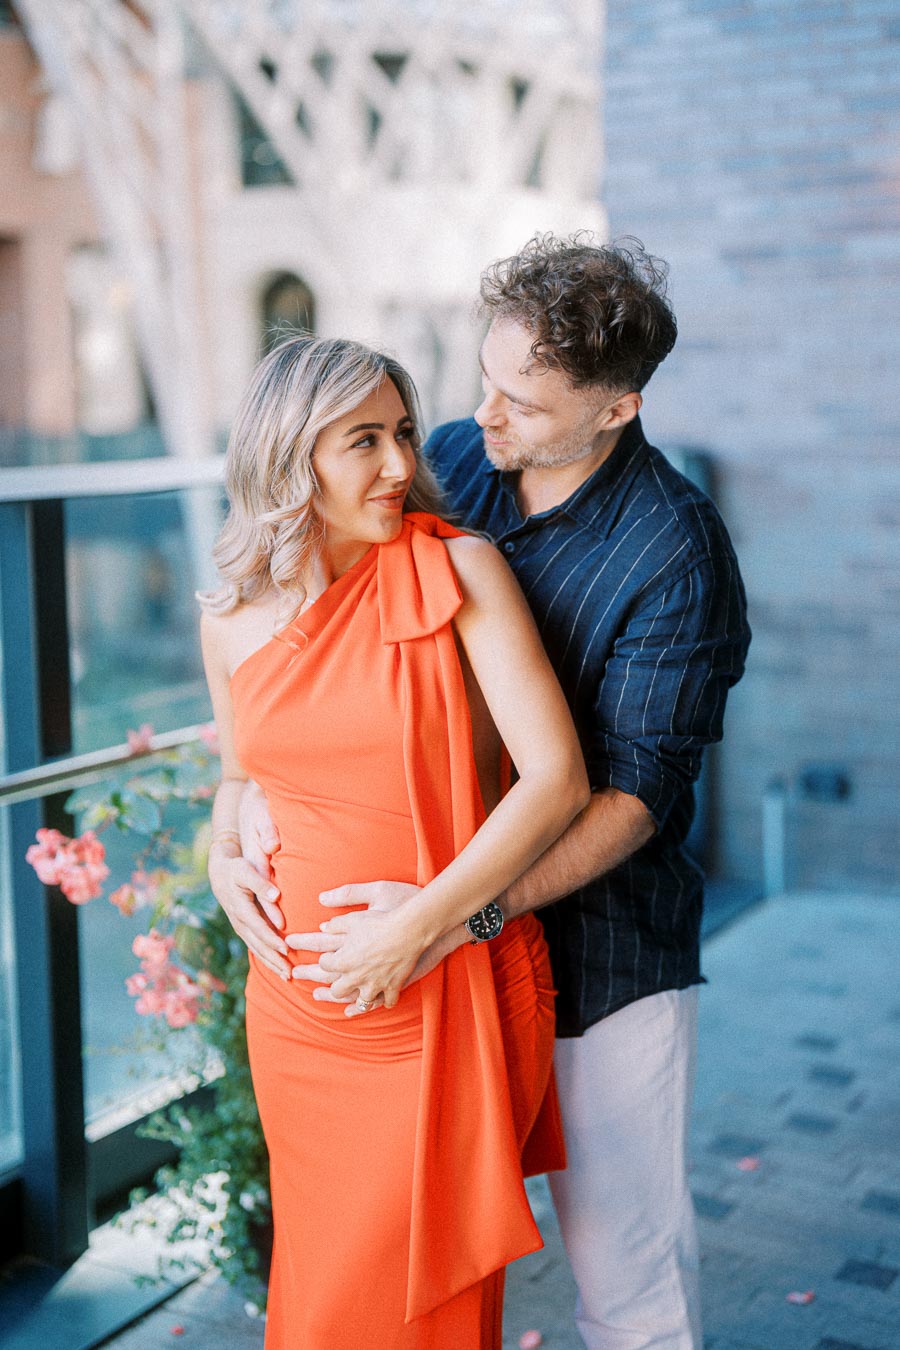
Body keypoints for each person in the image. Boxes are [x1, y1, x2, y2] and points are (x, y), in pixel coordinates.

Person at [221, 235, 752, 1349]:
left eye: (522, 399)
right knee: (375, 1258)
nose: (480, 418)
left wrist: (456, 919)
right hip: (412, 973)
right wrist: (238, 838)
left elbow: (631, 797)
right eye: (483, 380)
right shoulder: (455, 462)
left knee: (627, 1274)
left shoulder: (677, 552)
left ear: (616, 408)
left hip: (600, 953)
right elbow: (300, 677)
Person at [199, 334, 590, 1349]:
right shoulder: (231, 616)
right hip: (298, 1010)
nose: (402, 466)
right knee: (323, 1293)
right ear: (291, 457)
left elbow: (556, 780)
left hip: (437, 987)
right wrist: (218, 857)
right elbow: (244, 772)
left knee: (425, 1303)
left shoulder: (460, 569)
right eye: (363, 441)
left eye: (405, 433)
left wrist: (417, 924)